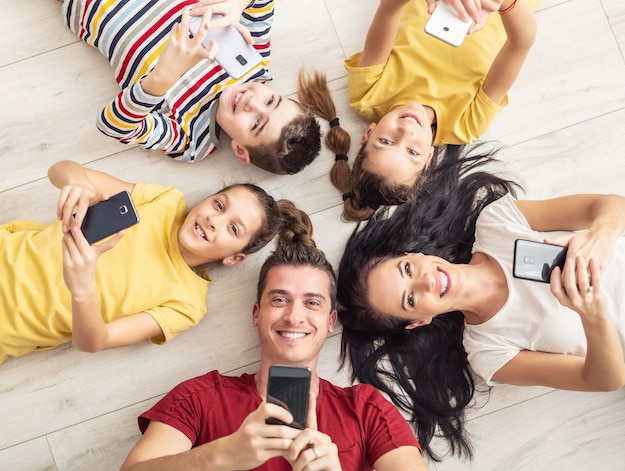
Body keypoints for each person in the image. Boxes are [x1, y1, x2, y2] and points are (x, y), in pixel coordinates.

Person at [336, 147, 625, 460]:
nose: (425, 281)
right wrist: (593, 315)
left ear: (412, 255)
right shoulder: (488, 352)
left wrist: (603, 232)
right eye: (410, 299)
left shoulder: (497, 221)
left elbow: (612, 206)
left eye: (407, 269)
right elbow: (604, 379)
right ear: (419, 321)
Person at [119, 240, 431, 470]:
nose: (294, 316)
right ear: (257, 314)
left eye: (312, 303)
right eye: (280, 299)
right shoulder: (200, 399)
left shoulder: (367, 410)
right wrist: (221, 455)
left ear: (330, 322)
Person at [0, 160, 310, 363]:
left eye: (233, 228)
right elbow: (62, 169)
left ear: (234, 258)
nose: (214, 220)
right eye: (219, 204)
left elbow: (94, 341)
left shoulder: (186, 304)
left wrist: (82, 289)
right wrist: (77, 182)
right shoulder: (164, 201)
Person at [61, 0, 347, 174]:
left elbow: (115, 127)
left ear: (240, 150)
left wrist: (162, 77)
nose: (252, 102)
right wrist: (239, 3)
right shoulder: (255, 60)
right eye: (271, 100)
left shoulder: (192, 140)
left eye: (256, 124)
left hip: (87, 6)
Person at [326, 0, 539, 220]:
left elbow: (390, 7)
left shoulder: (368, 94)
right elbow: (521, 43)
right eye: (412, 152)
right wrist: (505, 3)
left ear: (369, 133)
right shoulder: (466, 124)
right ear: (429, 157)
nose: (406, 132)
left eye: (386, 142)